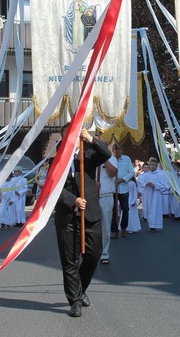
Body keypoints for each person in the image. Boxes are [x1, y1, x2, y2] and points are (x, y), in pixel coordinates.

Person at [53, 123, 110, 318]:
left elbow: (107, 154)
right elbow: (51, 189)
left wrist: (91, 138)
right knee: (70, 260)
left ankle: (81, 288)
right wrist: (73, 200)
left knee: (93, 255)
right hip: (67, 216)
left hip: (90, 213)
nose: (69, 139)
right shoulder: (57, 161)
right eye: (66, 136)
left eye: (74, 135)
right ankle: (74, 300)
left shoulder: (88, 156)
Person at [105, 142, 135, 238]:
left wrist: (122, 180)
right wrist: (114, 180)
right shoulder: (110, 159)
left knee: (125, 209)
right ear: (113, 150)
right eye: (116, 149)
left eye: (119, 149)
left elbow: (131, 172)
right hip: (113, 189)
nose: (118, 151)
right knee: (113, 210)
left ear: (122, 150)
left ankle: (123, 228)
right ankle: (114, 230)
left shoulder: (127, 159)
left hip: (124, 188)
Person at [97, 158, 117, 265]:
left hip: (106, 197)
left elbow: (113, 173)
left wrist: (104, 159)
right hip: (92, 197)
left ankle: (104, 253)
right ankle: (92, 253)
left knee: (105, 227)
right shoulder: (89, 156)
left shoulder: (111, 159)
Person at [143, 158, 168, 232]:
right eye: (151, 165)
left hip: (156, 195)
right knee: (149, 209)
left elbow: (164, 185)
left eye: (154, 165)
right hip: (148, 194)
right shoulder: (146, 175)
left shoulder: (160, 174)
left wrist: (154, 186)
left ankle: (154, 225)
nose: (152, 166)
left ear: (156, 166)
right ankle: (150, 224)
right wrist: (146, 184)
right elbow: (141, 183)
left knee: (155, 209)